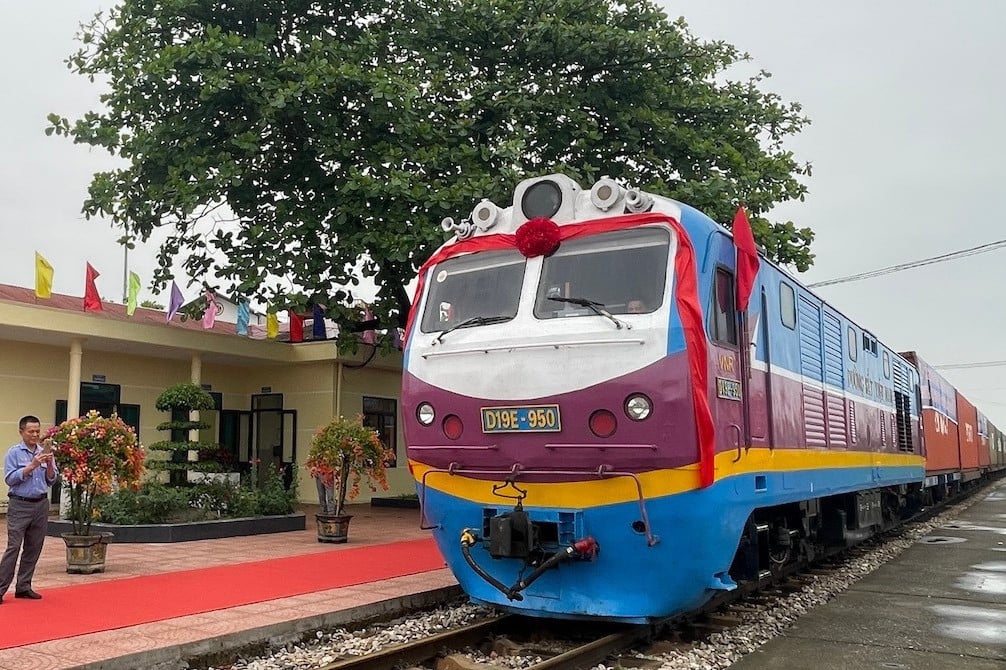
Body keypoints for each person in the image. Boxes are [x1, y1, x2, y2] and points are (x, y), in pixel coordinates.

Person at [1, 415, 58, 603]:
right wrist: (32, 465)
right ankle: (0, 588)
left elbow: (51, 479)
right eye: (30, 431)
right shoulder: (14, 453)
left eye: (37, 431)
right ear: (21, 432)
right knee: (14, 547)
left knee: (34, 547)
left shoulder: (45, 451)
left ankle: (24, 586)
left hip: (41, 504)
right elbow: (10, 479)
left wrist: (49, 464)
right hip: (20, 504)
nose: (35, 435)